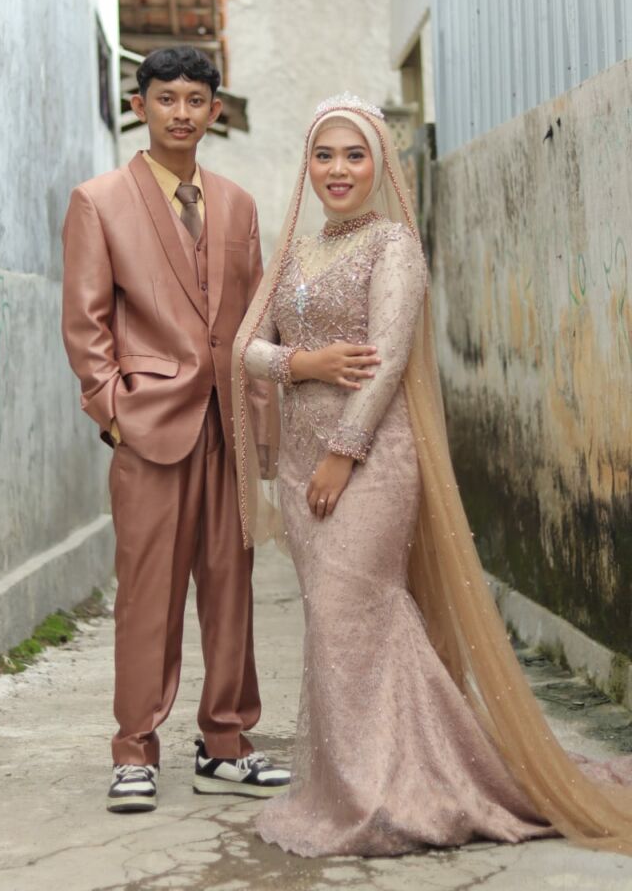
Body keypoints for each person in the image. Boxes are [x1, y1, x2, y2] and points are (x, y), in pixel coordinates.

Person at [232, 94, 632, 858]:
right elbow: (244, 347)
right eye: (324, 155)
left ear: (380, 164)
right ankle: (364, 785)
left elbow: (384, 363)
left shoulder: (395, 247)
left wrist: (343, 451)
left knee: (355, 612)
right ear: (307, 165)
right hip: (300, 466)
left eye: (355, 155)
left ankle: (387, 794)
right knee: (334, 624)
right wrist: (304, 363)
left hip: (368, 460)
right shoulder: (294, 251)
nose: (338, 169)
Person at [60, 46, 295, 813]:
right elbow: (86, 324)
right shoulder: (99, 202)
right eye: (167, 99)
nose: (182, 113)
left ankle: (225, 744)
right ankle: (134, 751)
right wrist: (114, 414)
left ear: (215, 112)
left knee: (231, 592)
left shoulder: (238, 205)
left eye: (196, 100)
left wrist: (261, 433)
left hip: (229, 427)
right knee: (148, 597)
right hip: (149, 429)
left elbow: (252, 321)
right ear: (140, 107)